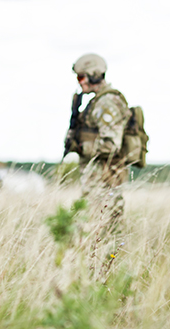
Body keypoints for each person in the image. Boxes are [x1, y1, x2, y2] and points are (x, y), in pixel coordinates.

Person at [66, 53, 131, 269]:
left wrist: (81, 147)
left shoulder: (107, 102)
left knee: (104, 238)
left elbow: (111, 145)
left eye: (81, 77)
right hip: (97, 184)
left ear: (93, 75)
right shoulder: (95, 102)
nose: (80, 82)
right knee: (93, 236)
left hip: (104, 184)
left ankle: (105, 280)